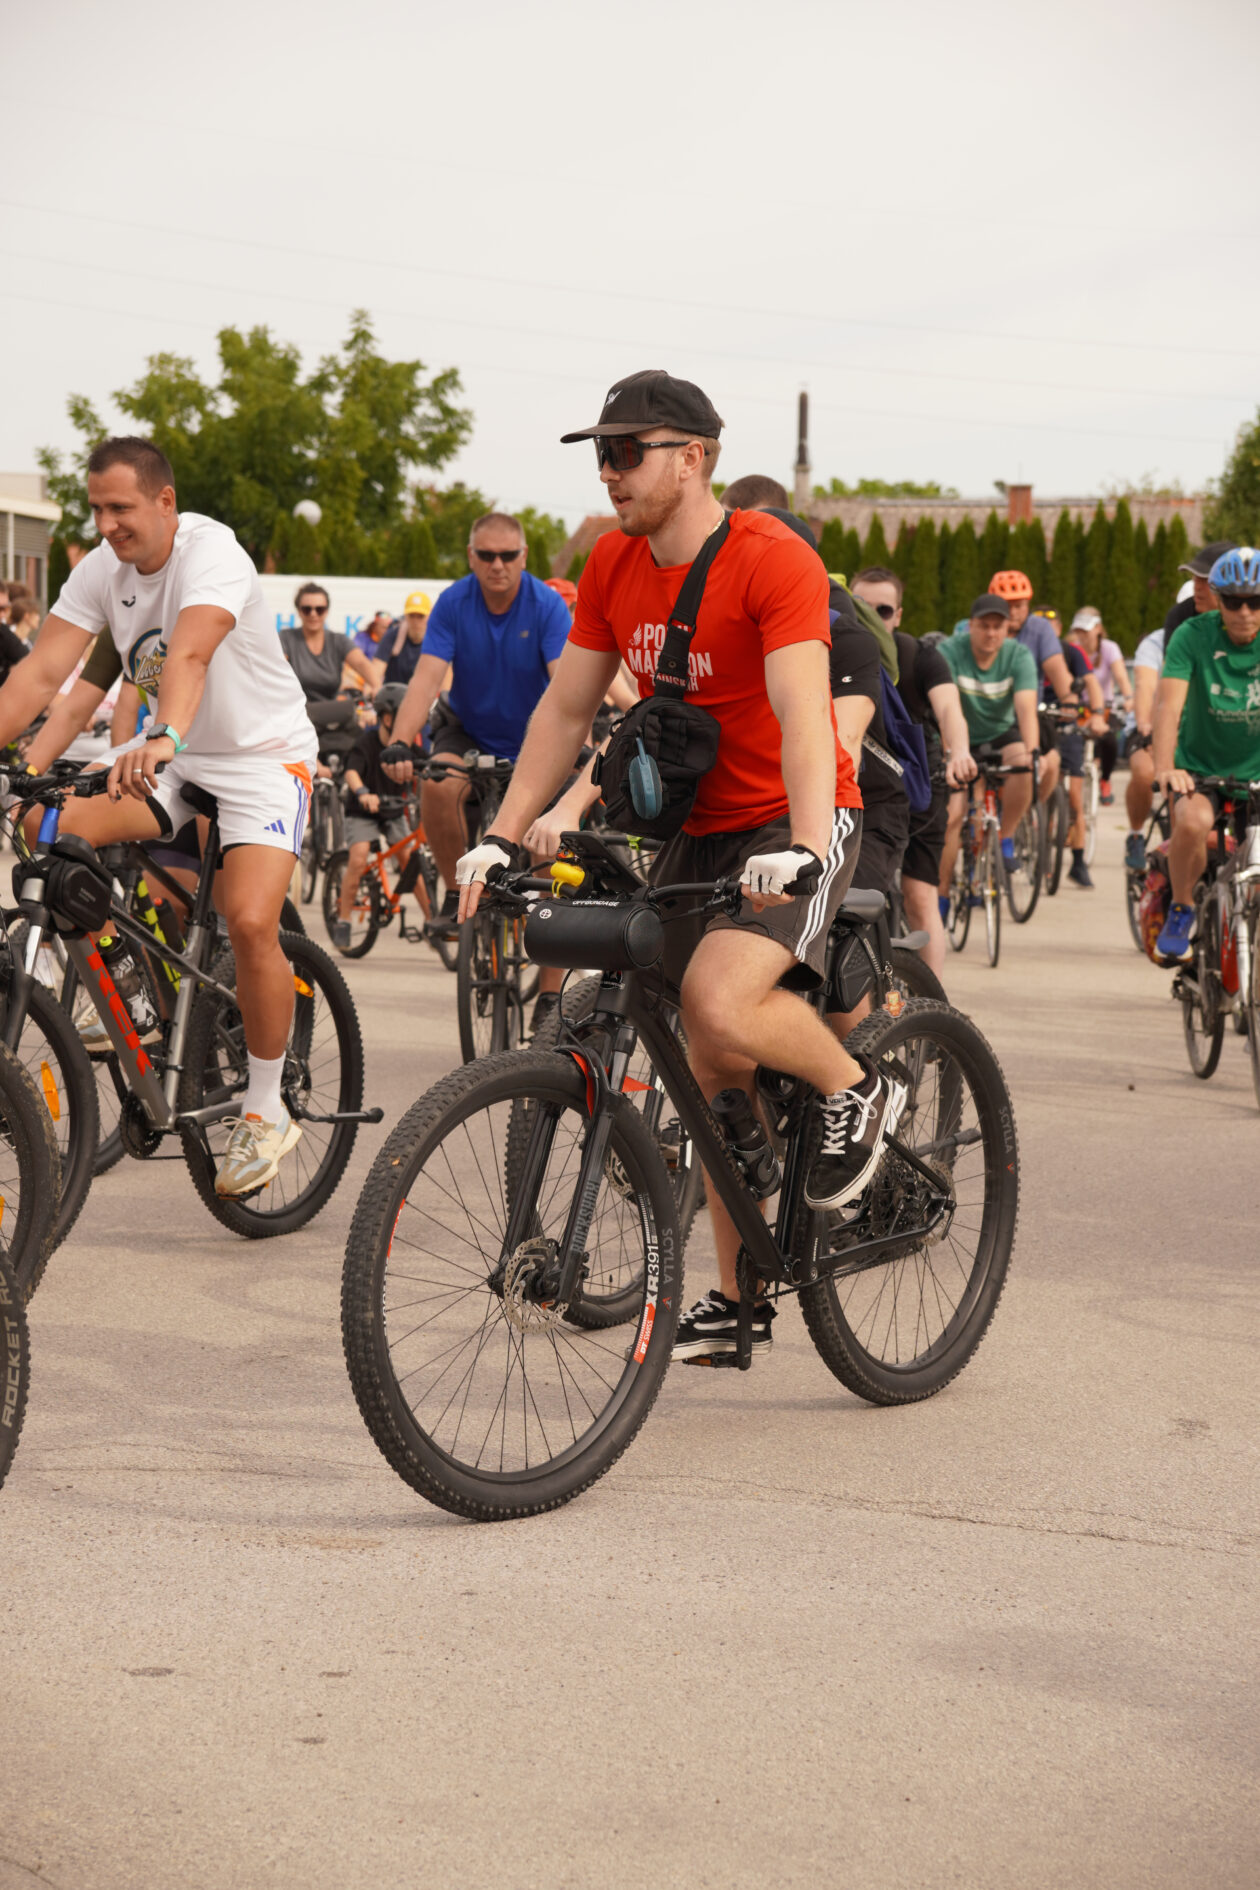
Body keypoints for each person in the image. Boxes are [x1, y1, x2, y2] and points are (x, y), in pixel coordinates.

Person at [456, 367, 902, 1367]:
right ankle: (739, 1299)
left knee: (718, 996)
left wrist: (800, 838)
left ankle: (856, 1090)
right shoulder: (616, 567)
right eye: (599, 454)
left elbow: (800, 712)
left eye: (628, 451)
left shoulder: (769, 558)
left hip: (798, 813)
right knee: (709, 1064)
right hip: (694, 824)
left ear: (693, 457)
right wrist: (505, 825)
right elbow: (567, 709)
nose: (609, 472)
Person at [0, 436, 318, 1196]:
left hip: (261, 759)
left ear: (164, 502)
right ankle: (127, 993)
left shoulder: (214, 554)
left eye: (121, 508)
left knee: (248, 922)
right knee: (45, 827)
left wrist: (167, 733)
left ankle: (267, 1106)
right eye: (97, 509)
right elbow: (44, 672)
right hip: (172, 754)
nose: (107, 524)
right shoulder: (101, 570)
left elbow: (190, 657)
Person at [384, 511, 572, 938]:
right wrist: (397, 741)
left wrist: (580, 737)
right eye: (486, 555)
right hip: (467, 728)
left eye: (507, 555)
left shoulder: (546, 605)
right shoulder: (453, 601)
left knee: (551, 850)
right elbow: (426, 679)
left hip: (534, 735)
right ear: (471, 557)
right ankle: (456, 893)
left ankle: (547, 993)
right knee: (437, 784)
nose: (497, 564)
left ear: (523, 557)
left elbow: (565, 684)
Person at [850, 566, 973, 976]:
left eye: (882, 610)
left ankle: (934, 1011)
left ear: (898, 615)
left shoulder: (919, 656)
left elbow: (949, 708)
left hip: (919, 789)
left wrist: (959, 753)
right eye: (860, 606)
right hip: (858, 791)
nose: (871, 617)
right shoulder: (831, 649)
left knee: (920, 897)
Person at [1152, 547, 1260, 962]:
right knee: (1193, 822)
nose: (1245, 612)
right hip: (1199, 767)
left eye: (1256, 601)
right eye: (1234, 601)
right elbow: (1169, 707)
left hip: (1255, 770)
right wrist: (1166, 767)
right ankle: (1181, 907)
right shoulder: (1192, 635)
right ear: (1217, 597)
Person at [939, 593, 1039, 900]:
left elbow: (1025, 708)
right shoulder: (949, 651)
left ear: (1008, 628)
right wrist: (952, 753)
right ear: (971, 626)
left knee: (1024, 764)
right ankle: (942, 894)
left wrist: (1034, 752)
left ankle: (1005, 837)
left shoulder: (1018, 655)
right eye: (984, 625)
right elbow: (946, 706)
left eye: (998, 626)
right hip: (960, 734)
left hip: (999, 732)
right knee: (952, 817)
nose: (991, 633)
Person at [331, 683, 412, 948]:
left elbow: (423, 767)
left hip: (392, 811)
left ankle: (434, 921)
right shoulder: (366, 742)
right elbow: (352, 772)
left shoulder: (406, 745)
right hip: (363, 811)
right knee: (358, 858)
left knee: (411, 862)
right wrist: (363, 792)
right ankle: (343, 919)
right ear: (387, 717)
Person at [280, 583, 380, 727]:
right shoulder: (286, 638)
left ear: (327, 611)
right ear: (299, 611)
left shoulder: (338, 640)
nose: (313, 614)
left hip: (332, 714)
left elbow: (361, 663)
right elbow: (276, 666)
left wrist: (376, 686)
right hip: (296, 713)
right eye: (307, 609)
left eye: (319, 609)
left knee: (360, 716)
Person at [1066, 607, 1133, 803]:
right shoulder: (1073, 648)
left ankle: (1105, 779)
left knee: (1109, 740)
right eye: (1078, 631)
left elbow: (1120, 675)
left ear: (1097, 629)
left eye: (1085, 631)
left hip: (1103, 708)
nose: (1082, 636)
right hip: (1078, 708)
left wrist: (1129, 697)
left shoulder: (1109, 649)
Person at [1124, 618, 1170, 867]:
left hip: (1193, 731)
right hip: (1150, 725)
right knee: (1144, 772)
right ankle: (1136, 834)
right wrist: (1145, 725)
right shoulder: (1154, 642)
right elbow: (1144, 684)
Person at [379, 592, 432, 688]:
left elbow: (446, 676)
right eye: (412, 615)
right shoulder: (392, 636)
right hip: (392, 698)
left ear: (429, 616)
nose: (415, 621)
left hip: (424, 697)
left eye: (420, 616)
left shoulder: (436, 640)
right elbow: (376, 669)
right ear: (405, 616)